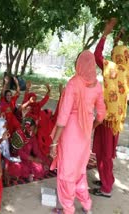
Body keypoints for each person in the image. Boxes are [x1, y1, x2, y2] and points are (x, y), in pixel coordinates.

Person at [50, 50, 106, 214]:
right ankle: (86, 206)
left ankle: (68, 209)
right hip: (85, 133)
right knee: (79, 171)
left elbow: (63, 117)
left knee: (66, 173)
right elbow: (101, 116)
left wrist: (54, 142)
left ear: (79, 64)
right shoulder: (97, 85)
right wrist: (91, 127)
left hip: (70, 133)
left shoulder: (73, 83)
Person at [92, 18, 129, 198]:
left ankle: (106, 188)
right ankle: (107, 180)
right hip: (116, 121)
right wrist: (116, 41)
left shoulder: (112, 68)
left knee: (104, 154)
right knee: (103, 151)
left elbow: (97, 55)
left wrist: (105, 34)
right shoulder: (126, 70)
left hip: (107, 119)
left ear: (116, 56)